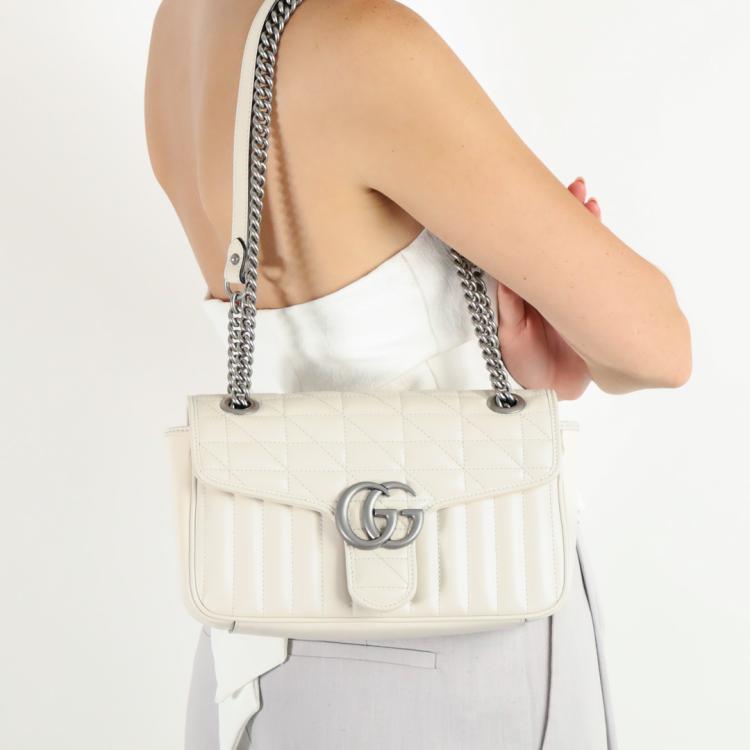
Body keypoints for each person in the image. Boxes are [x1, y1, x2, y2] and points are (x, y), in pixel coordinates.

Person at [145, 1, 692, 748]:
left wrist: (526, 367)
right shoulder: (360, 44)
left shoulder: (184, 26)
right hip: (448, 642)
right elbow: (661, 347)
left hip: (257, 647)